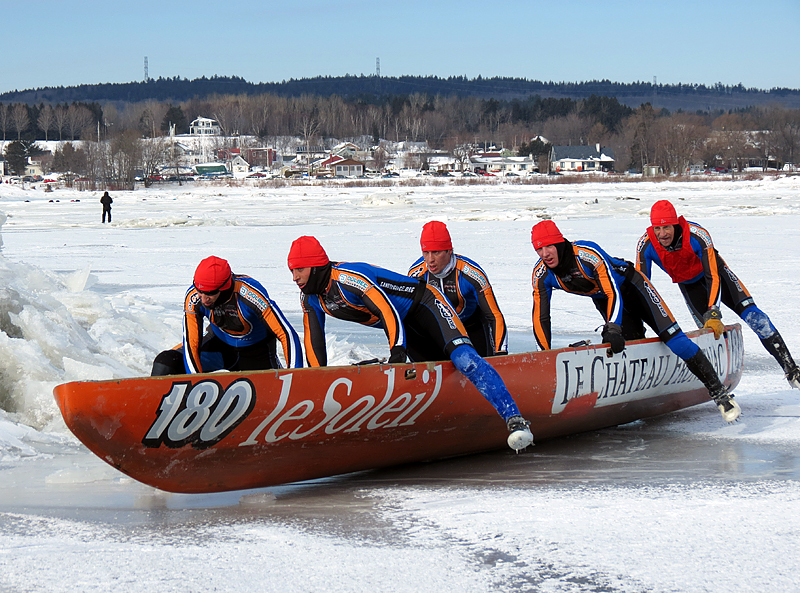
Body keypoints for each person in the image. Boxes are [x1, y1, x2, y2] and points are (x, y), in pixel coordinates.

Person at [287, 235, 533, 451]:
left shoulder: (350, 278)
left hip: (425, 305)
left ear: (317, 266)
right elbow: (313, 339)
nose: (296, 277)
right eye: (292, 271)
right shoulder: (309, 298)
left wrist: (397, 351)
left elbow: (387, 311)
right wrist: (315, 378)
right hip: (406, 326)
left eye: (300, 269)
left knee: (463, 359)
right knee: (431, 375)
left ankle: (514, 419)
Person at [530, 220, 741, 422]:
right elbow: (541, 315)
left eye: (548, 246)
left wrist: (612, 328)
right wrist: (544, 353)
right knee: (630, 345)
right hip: (604, 299)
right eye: (539, 249)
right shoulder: (541, 274)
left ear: (559, 243)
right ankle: (639, 396)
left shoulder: (588, 255)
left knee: (673, 338)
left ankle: (720, 395)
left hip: (632, 287)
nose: (544, 254)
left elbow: (613, 291)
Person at [636, 199, 799, 389]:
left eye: (667, 228)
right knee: (709, 335)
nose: (662, 234)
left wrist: (713, 311)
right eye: (657, 229)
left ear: (675, 224)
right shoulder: (646, 245)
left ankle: (792, 370)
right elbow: (642, 288)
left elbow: (713, 276)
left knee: (756, 318)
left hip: (717, 276)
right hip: (690, 287)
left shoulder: (698, 235)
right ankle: (715, 383)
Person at [151, 255, 302, 375]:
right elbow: (191, 343)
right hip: (219, 348)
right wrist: (195, 384)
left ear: (224, 288)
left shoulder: (250, 294)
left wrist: (295, 376)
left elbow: (286, 333)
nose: (203, 298)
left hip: (257, 354)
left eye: (210, 293)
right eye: (199, 290)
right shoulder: (193, 296)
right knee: (164, 363)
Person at [408, 221, 508, 357]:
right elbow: (408, 317)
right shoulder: (416, 274)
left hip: (472, 327)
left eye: (436, 252)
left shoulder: (472, 274)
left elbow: (494, 316)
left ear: (449, 251)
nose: (430, 259)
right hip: (439, 331)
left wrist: (500, 353)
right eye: (426, 252)